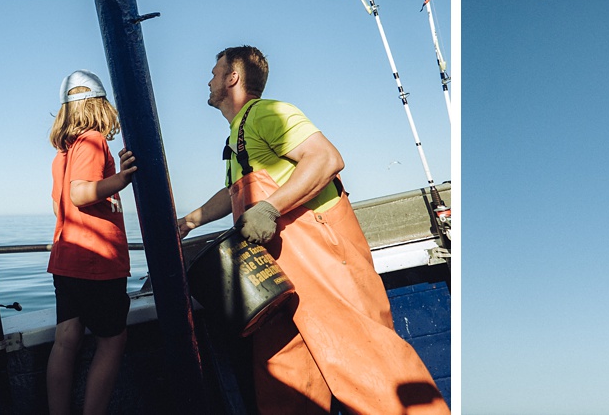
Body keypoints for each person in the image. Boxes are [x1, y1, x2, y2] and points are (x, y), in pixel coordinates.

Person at [176, 46, 449, 414]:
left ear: (232, 78)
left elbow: (325, 158)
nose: (208, 81)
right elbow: (234, 193)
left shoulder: (267, 113)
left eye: (214, 72)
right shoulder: (235, 138)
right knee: (285, 377)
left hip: (320, 253)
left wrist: (270, 208)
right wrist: (190, 221)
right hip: (276, 276)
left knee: (366, 359)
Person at [47, 70, 137, 415]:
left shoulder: (64, 152)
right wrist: (121, 179)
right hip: (95, 261)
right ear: (99, 105)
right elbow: (80, 193)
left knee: (66, 340)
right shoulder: (92, 140)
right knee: (112, 341)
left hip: (67, 259)